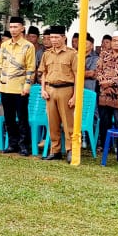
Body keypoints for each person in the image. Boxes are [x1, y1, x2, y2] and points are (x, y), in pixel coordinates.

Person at [0, 17, 37, 155]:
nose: (13, 29)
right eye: (11, 27)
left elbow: (31, 67)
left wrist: (27, 84)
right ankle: (12, 143)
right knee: (8, 118)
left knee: (22, 117)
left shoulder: (28, 46)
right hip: (5, 86)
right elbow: (1, 64)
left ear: (22, 28)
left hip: (20, 87)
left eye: (16, 27)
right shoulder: (5, 45)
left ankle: (24, 145)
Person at [38, 26, 77, 161]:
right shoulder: (47, 53)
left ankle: (70, 150)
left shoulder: (72, 53)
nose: (53, 40)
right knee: (52, 122)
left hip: (66, 89)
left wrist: (75, 96)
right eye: (51, 37)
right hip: (50, 89)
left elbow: (77, 75)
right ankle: (55, 150)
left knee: (68, 122)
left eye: (56, 37)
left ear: (64, 38)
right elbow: (44, 73)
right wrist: (43, 89)